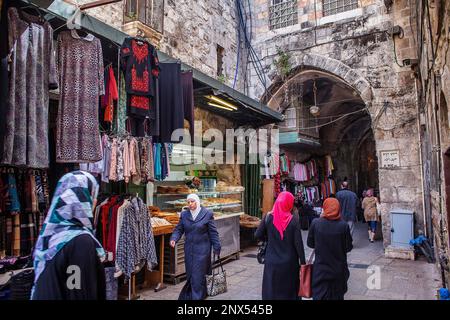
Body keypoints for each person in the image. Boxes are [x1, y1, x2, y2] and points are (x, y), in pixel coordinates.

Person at [31, 171, 106, 300]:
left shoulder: (51, 236)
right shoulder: (80, 242)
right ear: (83, 198)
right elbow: (76, 288)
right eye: (93, 196)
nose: (95, 202)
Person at [255, 191, 306, 300]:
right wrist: (303, 263)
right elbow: (298, 244)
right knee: (289, 290)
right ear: (289, 204)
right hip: (289, 263)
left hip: (272, 261)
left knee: (272, 289)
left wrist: (268, 237)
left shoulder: (268, 217)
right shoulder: (293, 221)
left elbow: (257, 234)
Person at [170, 194, 221, 300]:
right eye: (188, 202)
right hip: (189, 250)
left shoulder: (207, 214)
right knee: (190, 274)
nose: (190, 204)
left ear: (197, 202)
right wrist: (174, 238)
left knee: (197, 274)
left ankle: (196, 297)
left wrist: (217, 246)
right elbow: (179, 229)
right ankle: (197, 293)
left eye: (192, 201)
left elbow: (213, 232)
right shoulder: (184, 215)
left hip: (203, 250)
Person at [307, 198, 353, 300]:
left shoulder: (316, 223)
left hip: (320, 269)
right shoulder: (343, 226)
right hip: (338, 269)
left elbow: (310, 244)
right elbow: (348, 247)